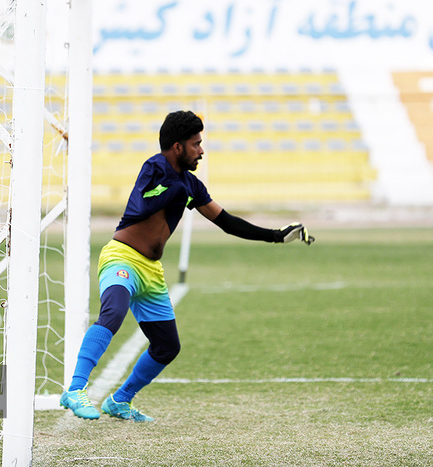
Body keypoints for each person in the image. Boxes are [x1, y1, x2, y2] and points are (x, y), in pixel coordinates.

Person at [60, 110, 314, 422]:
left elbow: (226, 222)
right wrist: (176, 190)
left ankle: (119, 400)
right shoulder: (154, 167)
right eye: (196, 144)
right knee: (113, 312)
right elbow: (141, 205)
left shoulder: (190, 184)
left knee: (167, 346)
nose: (202, 150)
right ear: (177, 147)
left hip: (151, 271)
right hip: (121, 256)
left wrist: (275, 236)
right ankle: (75, 389)